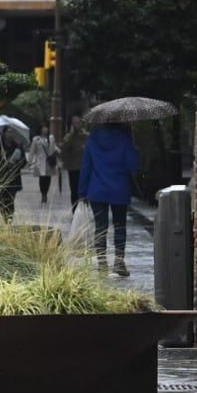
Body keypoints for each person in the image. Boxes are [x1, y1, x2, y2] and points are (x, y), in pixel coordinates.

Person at [80, 123, 140, 277]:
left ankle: (102, 263)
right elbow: (133, 167)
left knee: (100, 227)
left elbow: (86, 166)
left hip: (97, 189)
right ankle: (119, 262)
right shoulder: (125, 139)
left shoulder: (93, 138)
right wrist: (134, 148)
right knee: (120, 226)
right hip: (119, 189)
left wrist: (82, 192)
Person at [0, 129, 28, 223]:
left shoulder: (17, 146)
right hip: (1, 177)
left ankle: (9, 219)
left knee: (10, 200)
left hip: (13, 178)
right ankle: (4, 217)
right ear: (4, 133)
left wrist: (16, 161)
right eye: (8, 132)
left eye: (12, 132)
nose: (10, 134)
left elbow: (24, 162)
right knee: (2, 200)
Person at [59, 115, 89, 209]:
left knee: (84, 190)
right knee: (74, 190)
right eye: (73, 123)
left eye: (77, 122)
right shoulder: (68, 137)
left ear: (81, 123)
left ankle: (83, 209)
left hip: (84, 168)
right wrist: (70, 137)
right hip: (73, 168)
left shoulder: (86, 136)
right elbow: (63, 152)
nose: (76, 125)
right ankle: (75, 210)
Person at [28, 125, 58, 205]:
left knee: (48, 178)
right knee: (42, 179)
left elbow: (54, 148)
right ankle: (43, 194)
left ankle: (46, 193)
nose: (45, 129)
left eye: (46, 127)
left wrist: (59, 154)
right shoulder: (36, 139)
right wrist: (29, 162)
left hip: (49, 161)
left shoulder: (51, 138)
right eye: (43, 128)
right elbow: (32, 151)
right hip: (40, 162)